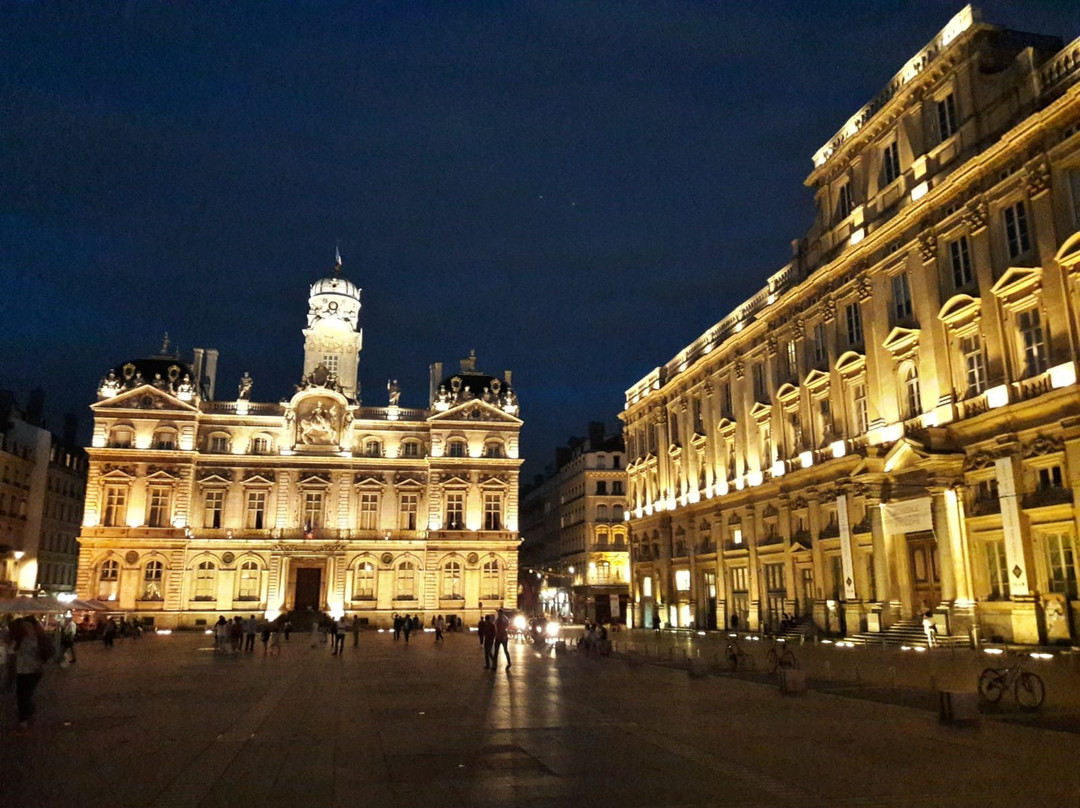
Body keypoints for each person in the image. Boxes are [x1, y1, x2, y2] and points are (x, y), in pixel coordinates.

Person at [9, 617, 47, 733]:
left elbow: (12, 652)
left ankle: (23, 719)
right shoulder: (36, 638)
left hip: (25, 671)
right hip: (35, 671)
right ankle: (28, 711)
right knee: (27, 694)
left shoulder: (21, 640)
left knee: (22, 695)